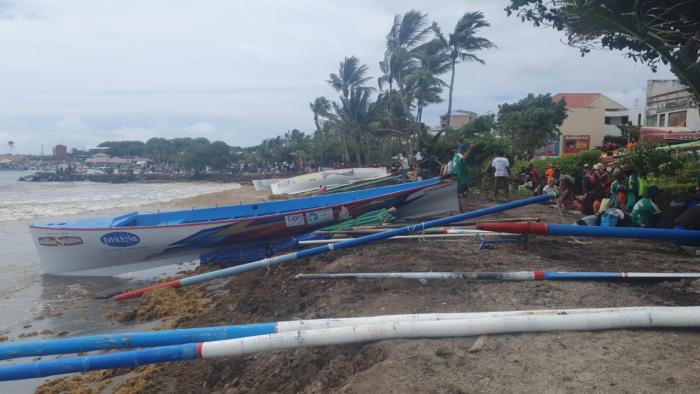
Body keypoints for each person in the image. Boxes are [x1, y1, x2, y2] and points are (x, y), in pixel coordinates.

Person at [453, 143, 473, 211]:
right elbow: (463, 157)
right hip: (462, 180)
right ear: (462, 150)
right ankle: (465, 211)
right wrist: (470, 149)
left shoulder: (456, 156)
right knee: (463, 196)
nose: (464, 151)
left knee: (461, 195)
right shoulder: (459, 156)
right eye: (464, 150)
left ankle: (462, 210)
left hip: (460, 179)